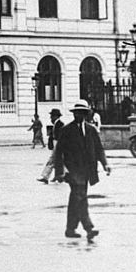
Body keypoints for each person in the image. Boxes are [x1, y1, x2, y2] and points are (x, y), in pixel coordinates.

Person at [53, 99, 111, 241]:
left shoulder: (91, 130)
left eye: (82, 113)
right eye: (76, 112)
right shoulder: (66, 130)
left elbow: (98, 148)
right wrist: (60, 172)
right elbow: (58, 153)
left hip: (88, 170)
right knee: (81, 198)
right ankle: (89, 228)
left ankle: (70, 229)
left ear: (86, 114)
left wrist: (105, 164)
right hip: (73, 170)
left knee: (76, 199)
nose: (78, 115)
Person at [37, 108, 65, 183]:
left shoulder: (60, 124)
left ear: (56, 116)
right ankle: (58, 176)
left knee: (53, 160)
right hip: (56, 143)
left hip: (58, 143)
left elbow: (60, 136)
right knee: (57, 160)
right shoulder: (56, 124)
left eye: (52, 116)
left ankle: (47, 176)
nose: (51, 118)